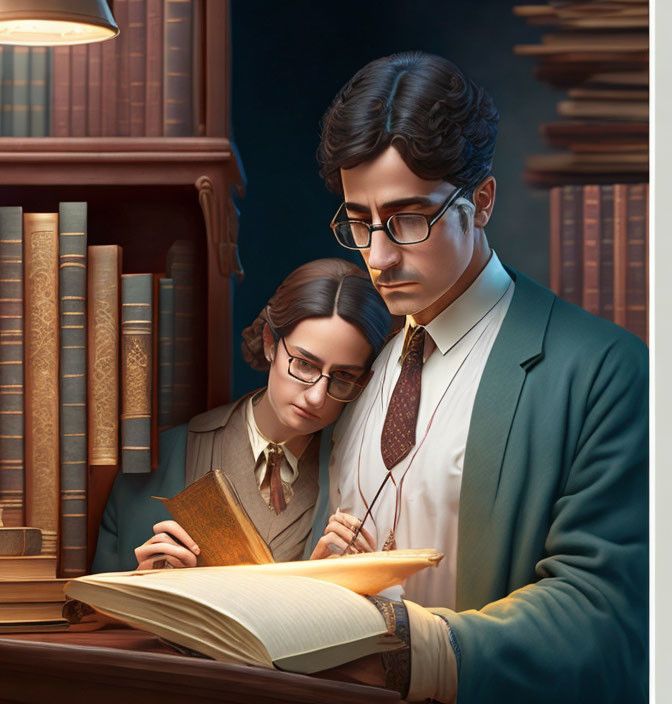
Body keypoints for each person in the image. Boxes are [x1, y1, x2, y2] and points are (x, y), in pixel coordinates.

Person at [312, 52, 648, 703]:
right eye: (360, 222)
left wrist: (416, 652)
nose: (378, 257)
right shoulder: (356, 361)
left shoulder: (604, 369)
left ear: (482, 201)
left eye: (410, 219)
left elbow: (609, 618)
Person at [92, 258, 392, 573]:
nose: (317, 397)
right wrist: (142, 584)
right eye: (304, 364)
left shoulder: (359, 471)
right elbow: (92, 609)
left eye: (342, 377)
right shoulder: (163, 459)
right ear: (269, 344)